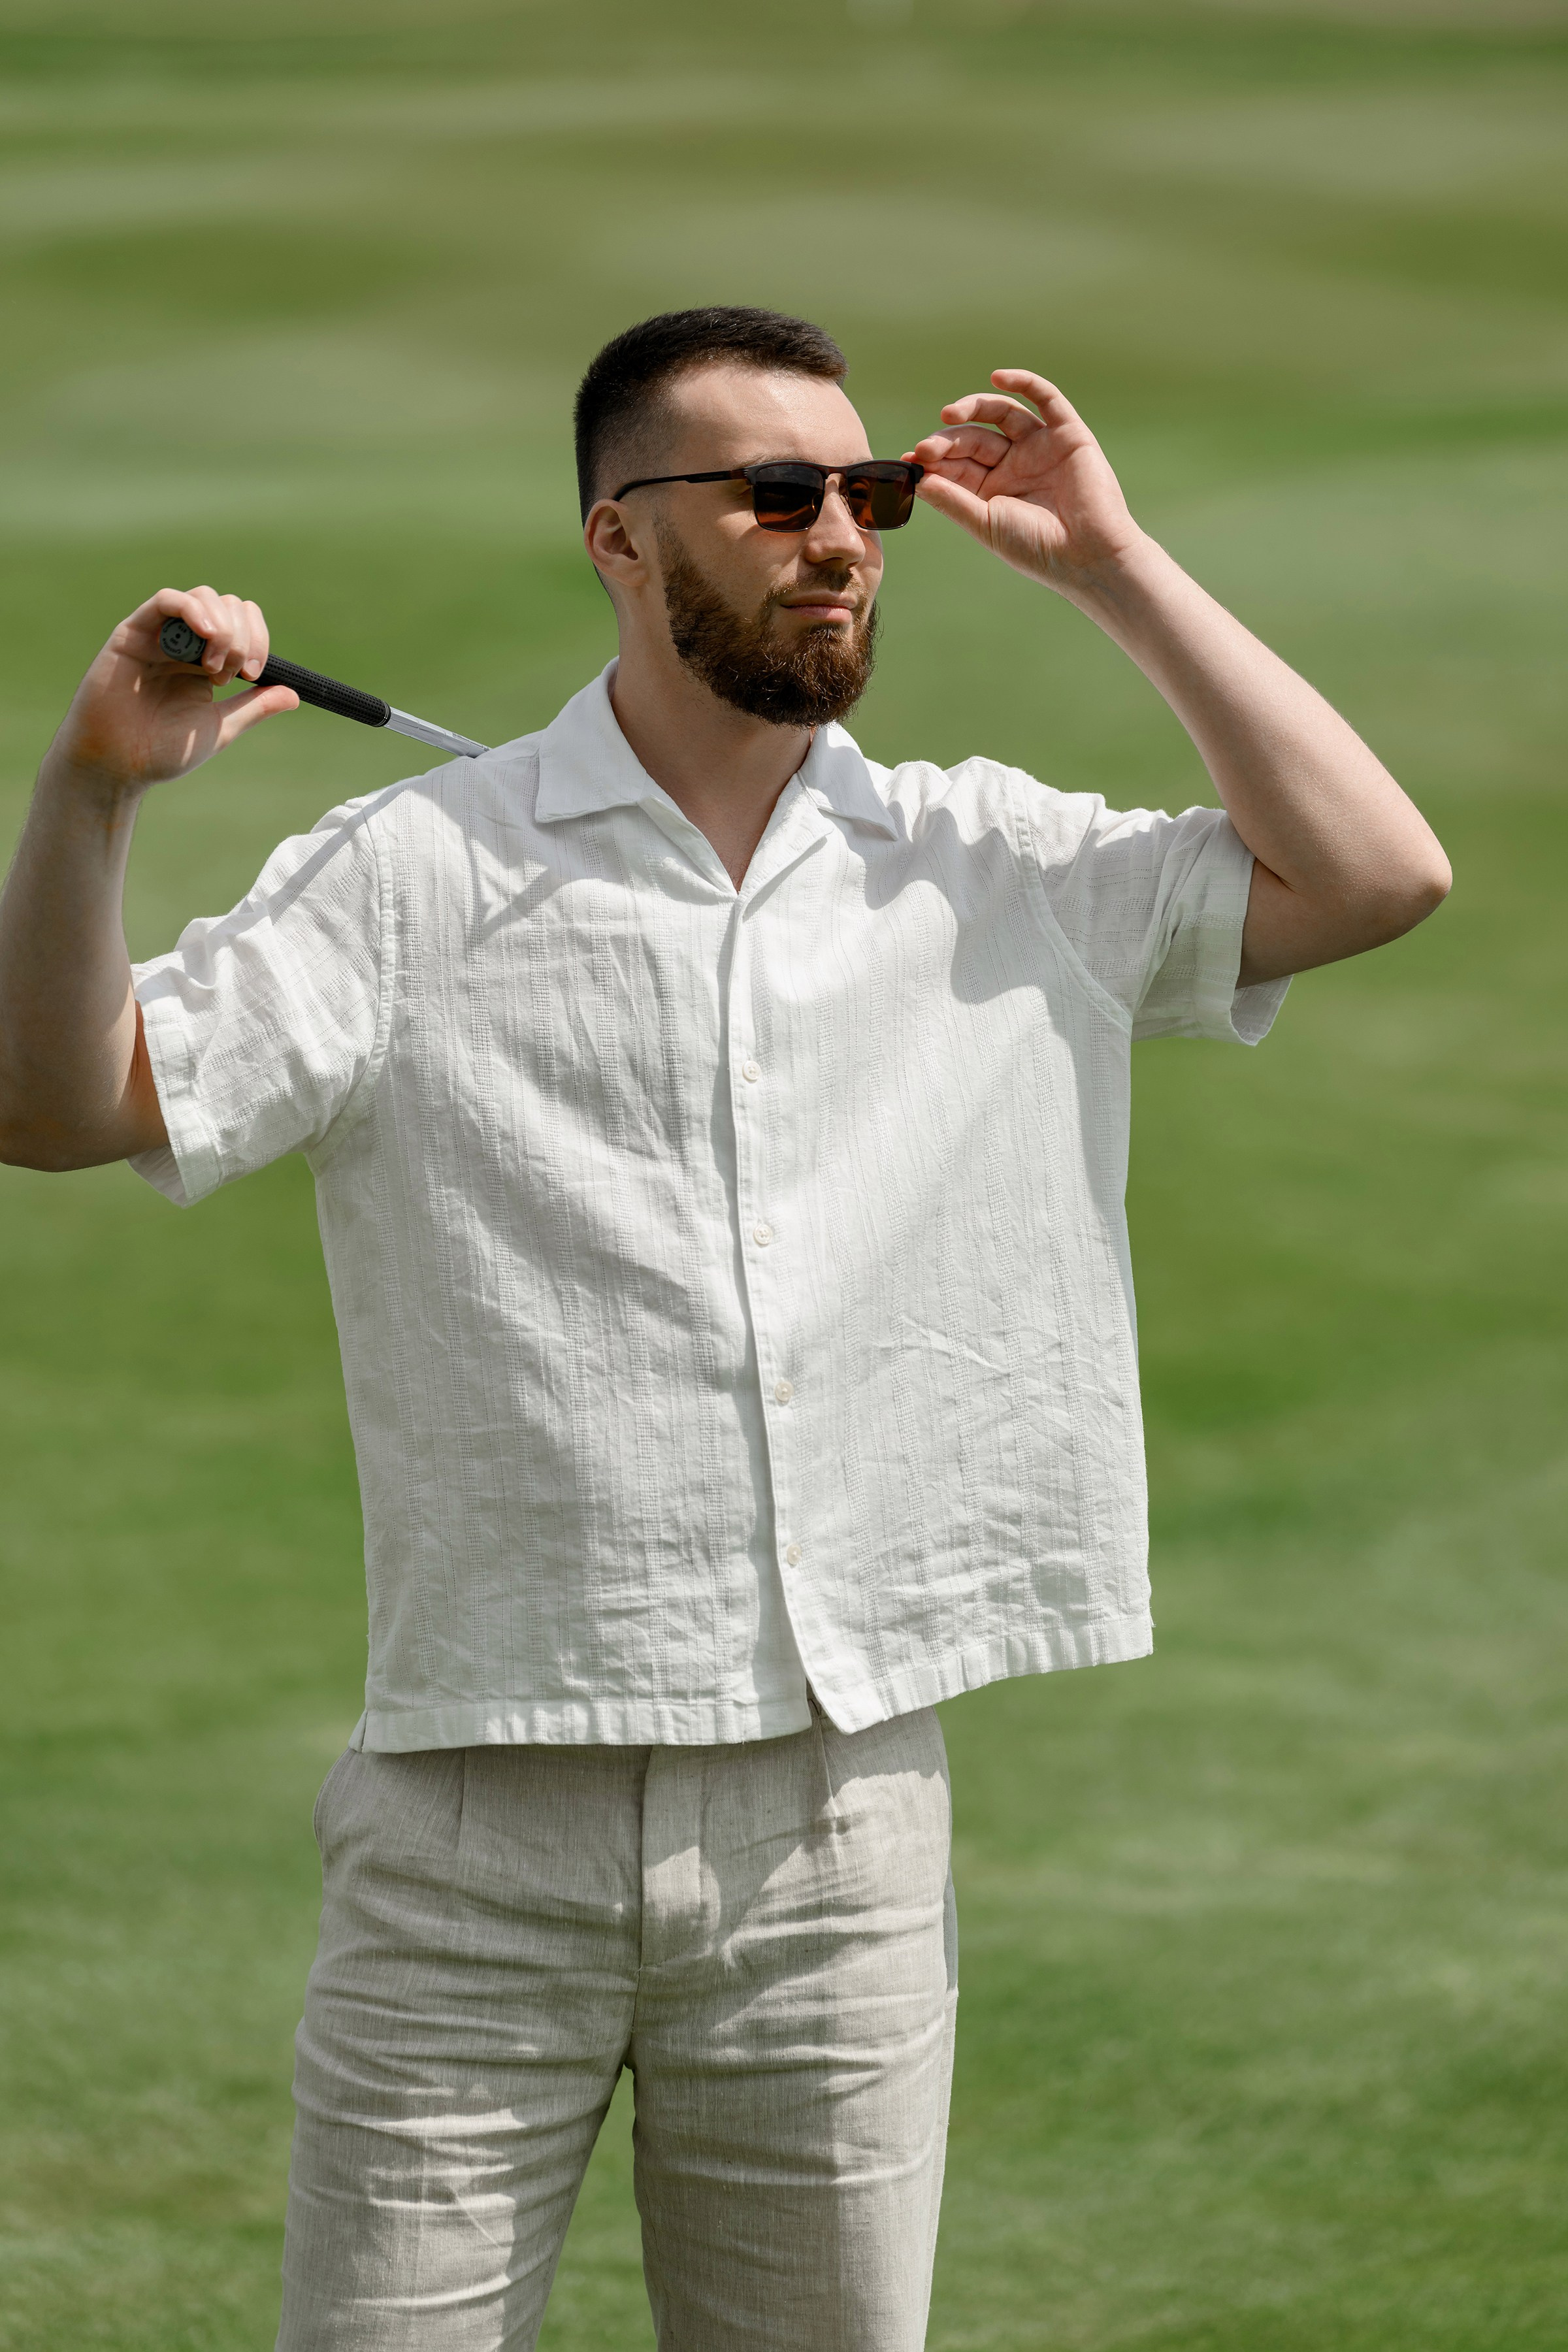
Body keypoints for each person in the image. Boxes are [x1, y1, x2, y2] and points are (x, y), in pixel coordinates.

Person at [0, 306, 1450, 2351]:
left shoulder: (988, 855)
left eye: (865, 494)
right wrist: (90, 797)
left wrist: (1114, 562)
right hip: (473, 1829)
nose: (841, 535)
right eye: (778, 496)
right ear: (620, 537)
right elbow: (59, 1110)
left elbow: (1381, 874)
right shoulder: (417, 872)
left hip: (836, 1841)